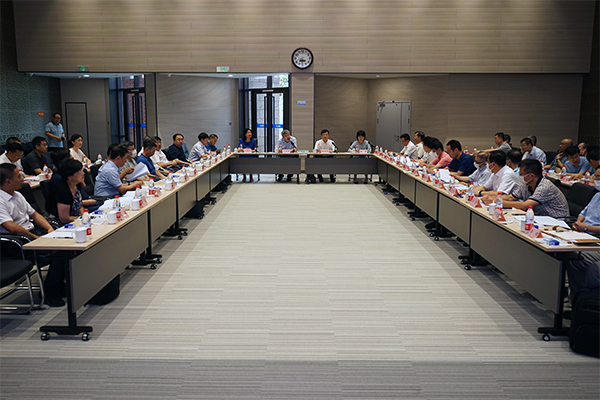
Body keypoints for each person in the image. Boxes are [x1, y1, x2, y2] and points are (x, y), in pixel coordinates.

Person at [483, 159, 568, 218]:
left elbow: (525, 205)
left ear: (531, 175)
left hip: (557, 220)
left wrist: (496, 202)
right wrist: (492, 198)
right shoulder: (526, 184)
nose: (519, 176)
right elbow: (511, 197)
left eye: (521, 174)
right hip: (539, 218)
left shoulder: (544, 187)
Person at [567, 168, 600, 301]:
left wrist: (586, 227)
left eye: (599, 177)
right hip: (584, 233)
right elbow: (584, 212)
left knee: (574, 257)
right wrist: (578, 222)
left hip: (596, 238)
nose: (597, 180)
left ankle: (582, 300)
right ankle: (577, 299)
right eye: (596, 177)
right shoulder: (597, 195)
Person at [0, 163, 54, 240]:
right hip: (18, 239)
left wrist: (49, 228)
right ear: (8, 182)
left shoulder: (17, 194)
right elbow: (12, 228)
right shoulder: (1, 201)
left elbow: (35, 215)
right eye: (18, 176)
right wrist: (35, 237)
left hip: (32, 232)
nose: (22, 179)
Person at [45, 159, 85, 225]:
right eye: (80, 172)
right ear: (69, 177)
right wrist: (82, 219)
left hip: (75, 219)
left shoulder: (76, 184)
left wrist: (84, 217)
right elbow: (64, 219)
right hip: (57, 223)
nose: (83, 173)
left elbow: (79, 206)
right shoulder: (62, 191)